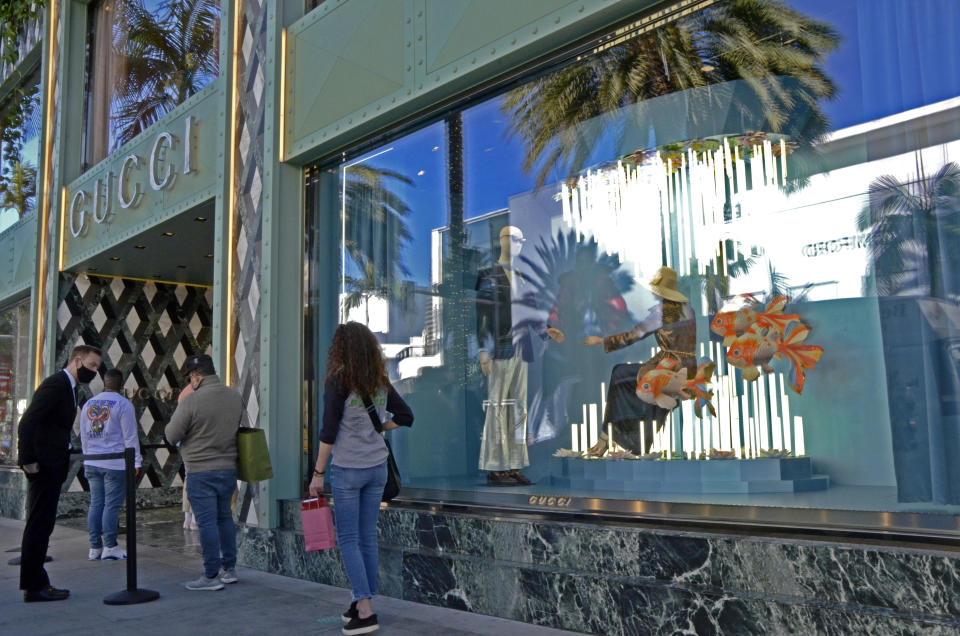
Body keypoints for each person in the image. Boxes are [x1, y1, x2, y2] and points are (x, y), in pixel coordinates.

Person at [309, 322, 414, 635]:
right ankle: (359, 603)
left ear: (340, 349)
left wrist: (317, 473)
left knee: (349, 539)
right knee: (367, 537)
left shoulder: (339, 381)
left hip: (348, 470)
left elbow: (328, 433)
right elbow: (406, 416)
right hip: (377, 468)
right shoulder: (380, 381)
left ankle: (365, 609)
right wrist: (380, 429)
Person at [475, 225, 562, 486]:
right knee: (498, 406)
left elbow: (531, 313)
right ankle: (495, 465)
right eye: (513, 239)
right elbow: (480, 316)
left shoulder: (522, 276)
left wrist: (547, 332)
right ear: (501, 240)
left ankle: (513, 464)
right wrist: (482, 349)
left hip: (521, 348)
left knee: (518, 408)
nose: (517, 244)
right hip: (499, 348)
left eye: (521, 240)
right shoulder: (487, 275)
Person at [18, 344, 102, 602]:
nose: (94, 372)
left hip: (52, 464)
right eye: (92, 366)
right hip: (43, 465)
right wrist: (28, 459)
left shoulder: (69, 387)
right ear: (77, 361)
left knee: (44, 523)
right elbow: (28, 421)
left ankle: (37, 582)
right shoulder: (56, 384)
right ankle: (35, 586)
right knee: (39, 524)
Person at [585, 266, 696, 455]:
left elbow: (634, 335)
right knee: (637, 384)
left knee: (619, 373)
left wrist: (603, 341)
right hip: (688, 368)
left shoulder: (663, 312)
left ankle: (608, 437)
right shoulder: (688, 309)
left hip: (671, 369)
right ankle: (636, 442)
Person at [165, 354, 247, 591]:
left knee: (207, 522)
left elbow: (171, 435)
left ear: (196, 376)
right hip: (228, 468)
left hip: (200, 470)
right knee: (225, 519)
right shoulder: (234, 396)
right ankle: (229, 569)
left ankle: (210, 575)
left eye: (190, 377)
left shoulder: (191, 400)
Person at [78, 368, 142, 561]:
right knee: (111, 506)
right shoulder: (124, 404)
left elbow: (83, 434)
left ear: (104, 382)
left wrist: (87, 456)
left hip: (92, 461)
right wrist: (136, 461)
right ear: (121, 384)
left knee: (96, 504)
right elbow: (130, 437)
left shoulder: (89, 404)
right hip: (115, 463)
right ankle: (110, 546)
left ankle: (94, 547)